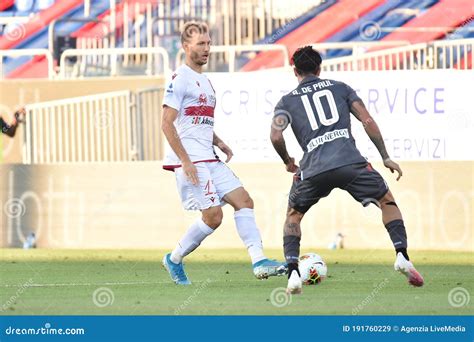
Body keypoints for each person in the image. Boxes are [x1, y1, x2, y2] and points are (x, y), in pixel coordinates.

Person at [270, 46, 424, 294]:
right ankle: (402, 255)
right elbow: (367, 120)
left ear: (295, 71)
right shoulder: (341, 88)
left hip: (313, 169)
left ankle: (293, 274)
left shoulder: (286, 101)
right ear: (319, 69)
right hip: (350, 162)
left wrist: (288, 161)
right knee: (386, 200)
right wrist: (385, 156)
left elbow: (276, 136)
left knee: (293, 216)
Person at [161, 21, 286, 285]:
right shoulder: (180, 78)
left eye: (208, 43)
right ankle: (173, 259)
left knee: (244, 201)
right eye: (200, 44)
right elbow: (166, 122)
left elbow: (197, 119)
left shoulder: (206, 81)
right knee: (213, 217)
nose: (207, 49)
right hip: (191, 160)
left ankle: (259, 261)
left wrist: (218, 141)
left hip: (209, 155)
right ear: (186, 46)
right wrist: (185, 161)